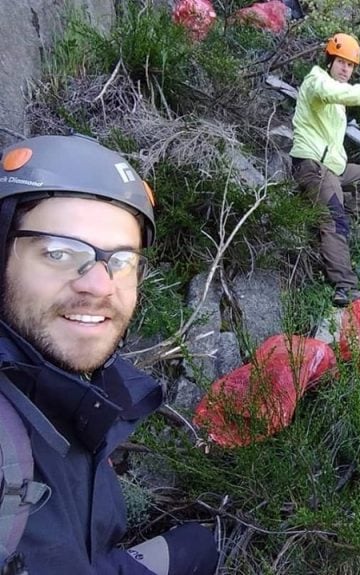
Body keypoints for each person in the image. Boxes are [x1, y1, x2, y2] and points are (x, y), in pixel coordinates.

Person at [0, 134, 219, 575]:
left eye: (120, 261)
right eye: (59, 252)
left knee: (200, 545)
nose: (99, 285)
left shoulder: (75, 386)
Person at [290, 32, 360, 307]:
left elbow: (343, 98)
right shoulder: (317, 80)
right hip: (312, 164)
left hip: (334, 168)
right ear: (330, 61)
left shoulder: (339, 98)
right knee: (335, 220)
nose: (346, 69)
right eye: (341, 62)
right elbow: (332, 93)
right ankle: (344, 287)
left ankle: (329, 211)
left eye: (350, 65)